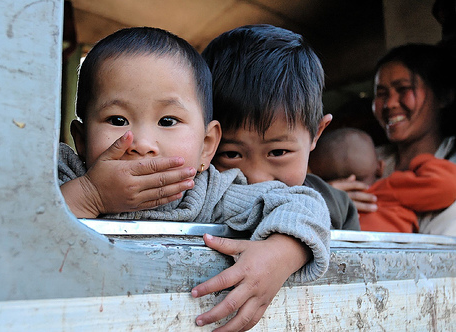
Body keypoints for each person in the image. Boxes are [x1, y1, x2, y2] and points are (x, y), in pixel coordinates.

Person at [58, 27, 331, 331]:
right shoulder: (64, 175)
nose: (143, 142)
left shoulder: (212, 192)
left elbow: (305, 203)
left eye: (168, 121)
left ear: (207, 146)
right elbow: (17, 224)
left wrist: (281, 254)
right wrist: (90, 194)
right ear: (81, 141)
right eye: (117, 120)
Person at [201, 24, 360, 231]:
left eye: (278, 152)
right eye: (231, 154)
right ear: (204, 142)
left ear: (316, 134)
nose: (257, 178)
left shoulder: (336, 209)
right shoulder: (191, 197)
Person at [329, 43, 456, 235]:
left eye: (403, 89)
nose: (389, 104)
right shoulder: (365, 160)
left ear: (443, 96)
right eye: (381, 94)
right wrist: (328, 201)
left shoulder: (451, 163)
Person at [309, 127, 456, 233]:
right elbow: (450, 184)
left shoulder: (320, 207)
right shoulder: (388, 190)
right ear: (380, 167)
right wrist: (420, 160)